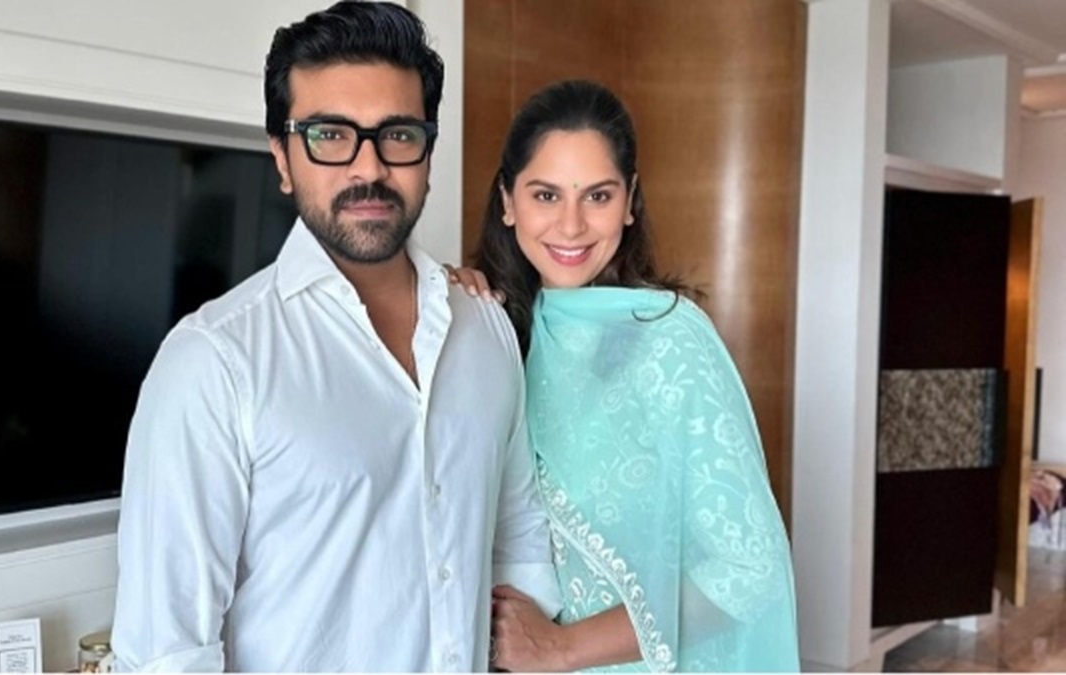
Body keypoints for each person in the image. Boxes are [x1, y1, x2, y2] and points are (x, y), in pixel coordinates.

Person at [110, 3, 561, 671]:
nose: (368, 168)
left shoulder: (485, 328)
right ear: (283, 158)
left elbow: (518, 539)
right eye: (330, 134)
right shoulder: (213, 361)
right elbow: (165, 653)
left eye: (398, 135)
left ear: (428, 153)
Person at [457, 80, 800, 672]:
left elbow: (750, 568)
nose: (571, 225)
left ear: (630, 201)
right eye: (545, 195)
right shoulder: (497, 333)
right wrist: (453, 303)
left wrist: (561, 647)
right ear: (508, 201)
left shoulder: (668, 339)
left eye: (597, 195)